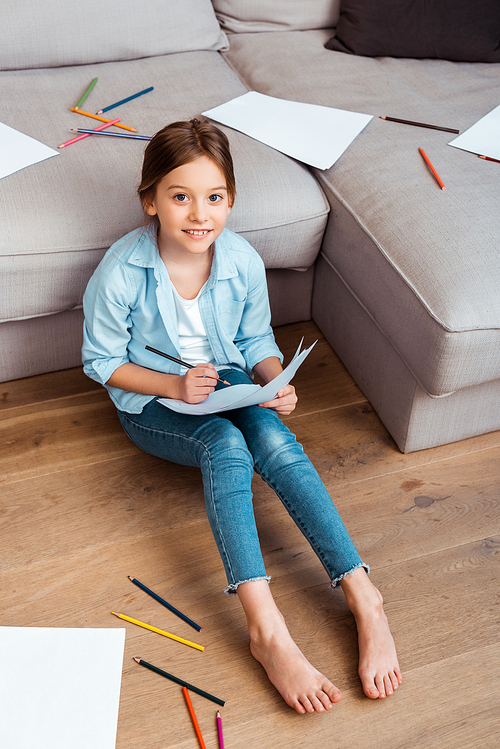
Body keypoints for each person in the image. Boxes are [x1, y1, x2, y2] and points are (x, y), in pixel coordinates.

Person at [82, 118, 402, 714]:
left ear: (230, 200)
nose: (199, 214)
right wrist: (173, 383)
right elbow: (102, 363)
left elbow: (254, 339)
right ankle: (267, 630)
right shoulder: (121, 270)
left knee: (275, 440)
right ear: (150, 200)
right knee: (225, 447)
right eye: (180, 197)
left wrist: (272, 382)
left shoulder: (240, 259)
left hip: (223, 381)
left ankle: (364, 595)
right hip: (152, 398)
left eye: (215, 197)